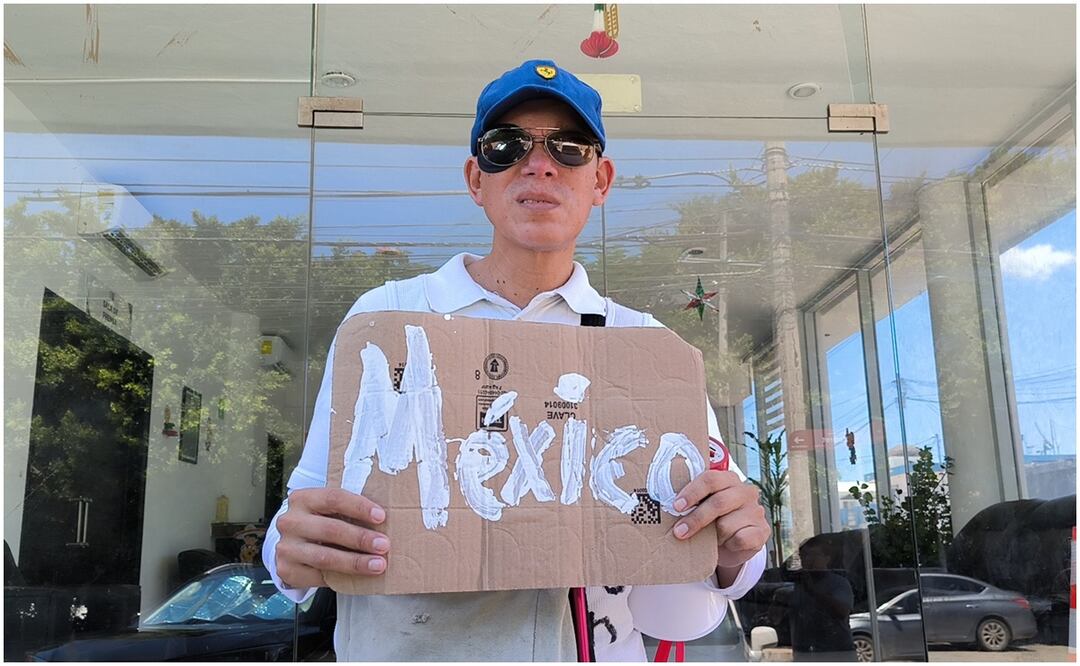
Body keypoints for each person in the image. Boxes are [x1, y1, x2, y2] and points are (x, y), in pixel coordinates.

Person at [263, 59, 771, 661]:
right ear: (476, 178)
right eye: (507, 146)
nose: (539, 163)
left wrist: (737, 546)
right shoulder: (393, 318)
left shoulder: (641, 345)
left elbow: (710, 553)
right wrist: (292, 552)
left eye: (569, 147)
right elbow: (298, 519)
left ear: (601, 181)